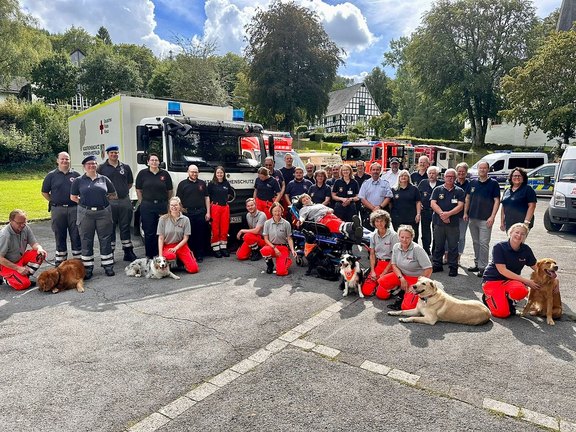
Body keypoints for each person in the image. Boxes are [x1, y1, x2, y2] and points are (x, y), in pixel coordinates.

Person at [70, 155, 117, 279]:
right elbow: (73, 197)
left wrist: (103, 200)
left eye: (93, 163)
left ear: (97, 165)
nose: (91, 166)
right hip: (86, 213)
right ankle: (88, 268)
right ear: (84, 167)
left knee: (105, 239)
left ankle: (108, 266)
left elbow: (113, 194)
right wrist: (83, 204)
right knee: (86, 239)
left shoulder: (104, 179)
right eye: (88, 164)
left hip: (103, 213)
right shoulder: (78, 181)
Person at [482, 223, 539, 319]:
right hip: (493, 280)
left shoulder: (526, 250)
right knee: (502, 314)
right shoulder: (499, 247)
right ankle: (487, 297)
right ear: (510, 233)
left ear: (525, 236)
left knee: (522, 290)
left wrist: (554, 280)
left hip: (510, 281)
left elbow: (538, 268)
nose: (519, 235)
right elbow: (503, 271)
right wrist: (526, 281)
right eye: (516, 232)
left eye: (523, 234)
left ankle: (507, 299)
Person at [371, 225, 432, 310]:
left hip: (415, 278)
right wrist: (401, 278)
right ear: (398, 237)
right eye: (402, 237)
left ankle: (411, 295)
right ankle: (400, 290)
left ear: (412, 238)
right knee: (381, 292)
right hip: (401, 275)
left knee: (407, 307)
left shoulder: (417, 249)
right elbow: (394, 265)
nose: (404, 240)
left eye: (407, 237)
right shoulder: (396, 246)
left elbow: (428, 269)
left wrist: (417, 285)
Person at [97, 145, 137, 262]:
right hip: (109, 202)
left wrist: (121, 191)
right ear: (108, 154)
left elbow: (129, 183)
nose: (114, 154)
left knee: (125, 226)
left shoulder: (125, 167)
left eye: (116, 152)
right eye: (111, 153)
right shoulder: (101, 168)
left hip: (124, 200)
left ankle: (128, 251)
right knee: (110, 227)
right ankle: (110, 253)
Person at [41, 151, 81, 266]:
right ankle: (60, 261)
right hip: (57, 210)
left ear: (70, 161)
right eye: (62, 159)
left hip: (74, 209)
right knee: (59, 235)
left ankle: (77, 261)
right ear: (57, 161)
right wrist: (54, 201)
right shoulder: (51, 176)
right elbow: (44, 192)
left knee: (76, 234)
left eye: (67, 159)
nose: (65, 161)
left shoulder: (76, 175)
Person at [464, 160, 501, 277]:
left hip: (486, 219)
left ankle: (483, 267)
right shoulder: (472, 182)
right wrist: (465, 212)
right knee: (475, 242)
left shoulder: (493, 183)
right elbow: (468, 199)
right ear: (478, 169)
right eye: (480, 168)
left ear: (488, 170)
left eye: (484, 168)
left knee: (484, 243)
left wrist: (493, 216)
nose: (482, 170)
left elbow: (497, 201)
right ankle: (477, 263)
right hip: (473, 217)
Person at [135, 153, 173, 259]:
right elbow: (138, 189)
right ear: (148, 162)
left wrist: (166, 201)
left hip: (161, 205)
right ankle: (149, 255)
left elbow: (170, 190)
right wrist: (141, 201)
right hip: (147, 205)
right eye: (152, 160)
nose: (154, 162)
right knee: (149, 231)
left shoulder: (165, 174)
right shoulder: (142, 174)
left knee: (161, 231)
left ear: (159, 162)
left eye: (156, 160)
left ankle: (160, 253)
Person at [430, 168, 465, 277]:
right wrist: (442, 214)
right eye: (447, 176)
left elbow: (460, 206)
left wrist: (448, 214)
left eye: (452, 176)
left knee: (453, 246)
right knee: (438, 245)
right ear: (444, 177)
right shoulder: (437, 189)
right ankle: (437, 264)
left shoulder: (459, 191)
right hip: (439, 223)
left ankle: (453, 267)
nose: (450, 178)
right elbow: (433, 203)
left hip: (453, 224)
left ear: (455, 178)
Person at [0, 209, 47, 290]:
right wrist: (17, 268)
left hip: (19, 259)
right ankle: (5, 278)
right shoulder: (5, 235)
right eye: (19, 223)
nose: (22, 225)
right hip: (6, 265)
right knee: (24, 285)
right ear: (10, 221)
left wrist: (40, 248)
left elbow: (34, 243)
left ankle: (23, 275)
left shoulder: (25, 228)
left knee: (40, 254)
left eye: (24, 222)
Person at [361, 210, 399, 297]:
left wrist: (384, 273)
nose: (379, 223)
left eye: (382, 221)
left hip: (391, 265)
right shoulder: (373, 235)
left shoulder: (393, 235)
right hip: (379, 264)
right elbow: (372, 254)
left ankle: (394, 286)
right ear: (374, 223)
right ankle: (379, 284)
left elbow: (395, 257)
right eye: (377, 221)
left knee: (382, 295)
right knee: (366, 291)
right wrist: (373, 271)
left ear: (386, 222)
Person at [176, 164, 210, 262]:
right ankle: (190, 254)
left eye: (196, 172)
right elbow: (178, 200)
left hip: (200, 212)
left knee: (200, 234)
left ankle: (199, 255)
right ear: (188, 172)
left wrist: (208, 212)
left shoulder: (202, 183)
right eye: (192, 172)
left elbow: (206, 198)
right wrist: (180, 213)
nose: (194, 174)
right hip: (187, 213)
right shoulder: (182, 184)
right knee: (188, 235)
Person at [296, 194, 363, 243]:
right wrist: (300, 221)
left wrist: (329, 210)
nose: (306, 201)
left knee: (339, 222)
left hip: (330, 215)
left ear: (310, 199)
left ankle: (355, 234)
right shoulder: (304, 209)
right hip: (321, 219)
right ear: (302, 204)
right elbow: (302, 217)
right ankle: (353, 226)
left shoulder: (319, 205)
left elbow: (331, 209)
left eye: (307, 199)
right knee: (334, 223)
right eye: (304, 201)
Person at [157, 197, 198, 274]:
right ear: (169, 207)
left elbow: (186, 238)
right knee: (170, 256)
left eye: (176, 205)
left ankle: (183, 261)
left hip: (181, 245)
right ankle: (173, 262)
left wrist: (176, 248)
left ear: (180, 206)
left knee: (194, 269)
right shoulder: (163, 219)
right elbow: (161, 238)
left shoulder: (185, 219)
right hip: (168, 246)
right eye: (172, 205)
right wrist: (160, 255)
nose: (174, 207)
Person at [260, 203, 297, 275]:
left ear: (282, 211)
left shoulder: (286, 223)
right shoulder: (267, 223)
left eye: (279, 211)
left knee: (281, 272)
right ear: (271, 212)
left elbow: (289, 238)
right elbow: (266, 239)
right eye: (275, 211)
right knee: (264, 250)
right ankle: (270, 265)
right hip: (271, 246)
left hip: (282, 247)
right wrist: (274, 248)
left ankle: (286, 261)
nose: (277, 213)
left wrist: (292, 250)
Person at [207, 166, 234, 258]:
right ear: (215, 174)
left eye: (221, 173)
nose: (219, 174)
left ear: (224, 174)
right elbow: (207, 197)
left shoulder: (226, 183)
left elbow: (230, 193)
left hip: (225, 208)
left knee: (224, 228)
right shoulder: (211, 184)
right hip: (215, 207)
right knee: (215, 229)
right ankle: (216, 248)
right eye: (218, 173)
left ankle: (223, 247)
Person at [500, 167, 537, 232]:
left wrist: (526, 223)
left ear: (523, 178)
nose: (517, 177)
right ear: (511, 178)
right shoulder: (507, 190)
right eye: (515, 176)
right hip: (509, 222)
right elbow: (503, 206)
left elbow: (532, 206)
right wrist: (502, 222)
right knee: (511, 240)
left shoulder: (528, 189)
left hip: (521, 223)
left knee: (517, 240)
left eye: (519, 176)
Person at [358, 162, 393, 230]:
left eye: (377, 170)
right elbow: (362, 198)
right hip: (368, 211)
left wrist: (379, 207)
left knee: (383, 231)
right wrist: (373, 208)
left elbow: (388, 197)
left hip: (382, 211)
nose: (375, 171)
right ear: (370, 171)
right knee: (368, 233)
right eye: (373, 170)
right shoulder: (365, 183)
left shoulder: (385, 183)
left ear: (380, 171)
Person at [417, 166, 443, 256]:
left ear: (437, 175)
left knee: (436, 231)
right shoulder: (423, 183)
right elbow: (418, 195)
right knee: (425, 232)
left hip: (437, 212)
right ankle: (426, 250)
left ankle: (435, 251)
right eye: (430, 173)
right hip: (425, 211)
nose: (431, 175)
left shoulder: (441, 184)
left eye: (433, 173)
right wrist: (419, 204)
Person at [390, 169, 421, 241]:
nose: (403, 177)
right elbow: (390, 204)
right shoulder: (393, 189)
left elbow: (418, 202)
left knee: (412, 238)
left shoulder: (414, 189)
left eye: (405, 176)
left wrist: (418, 214)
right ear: (399, 178)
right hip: (397, 218)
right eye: (401, 176)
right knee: (398, 238)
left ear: (408, 178)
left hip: (411, 218)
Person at [454, 162, 471, 261]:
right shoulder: (451, 182)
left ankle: (458, 256)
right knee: (449, 237)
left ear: (466, 172)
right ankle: (448, 256)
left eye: (463, 171)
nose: (461, 173)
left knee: (461, 237)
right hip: (452, 214)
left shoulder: (470, 184)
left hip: (464, 215)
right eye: (459, 171)